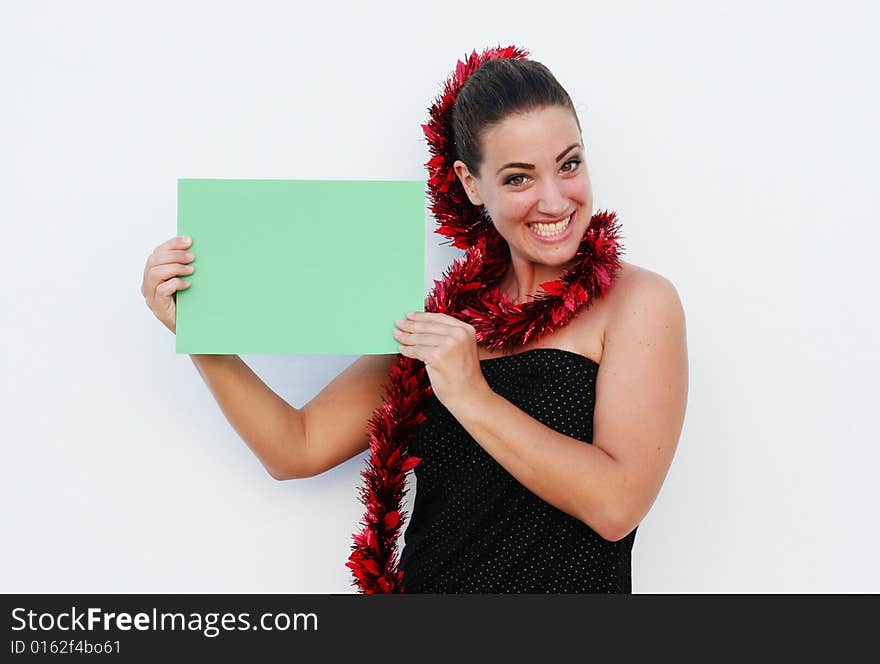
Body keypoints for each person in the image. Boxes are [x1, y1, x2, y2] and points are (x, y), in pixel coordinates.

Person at [140, 47, 688, 594]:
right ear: (472, 186)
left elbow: (617, 504)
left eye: (569, 164)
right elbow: (296, 447)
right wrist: (196, 329)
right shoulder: (441, 323)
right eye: (519, 178)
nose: (553, 199)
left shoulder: (638, 303)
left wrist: (470, 393)